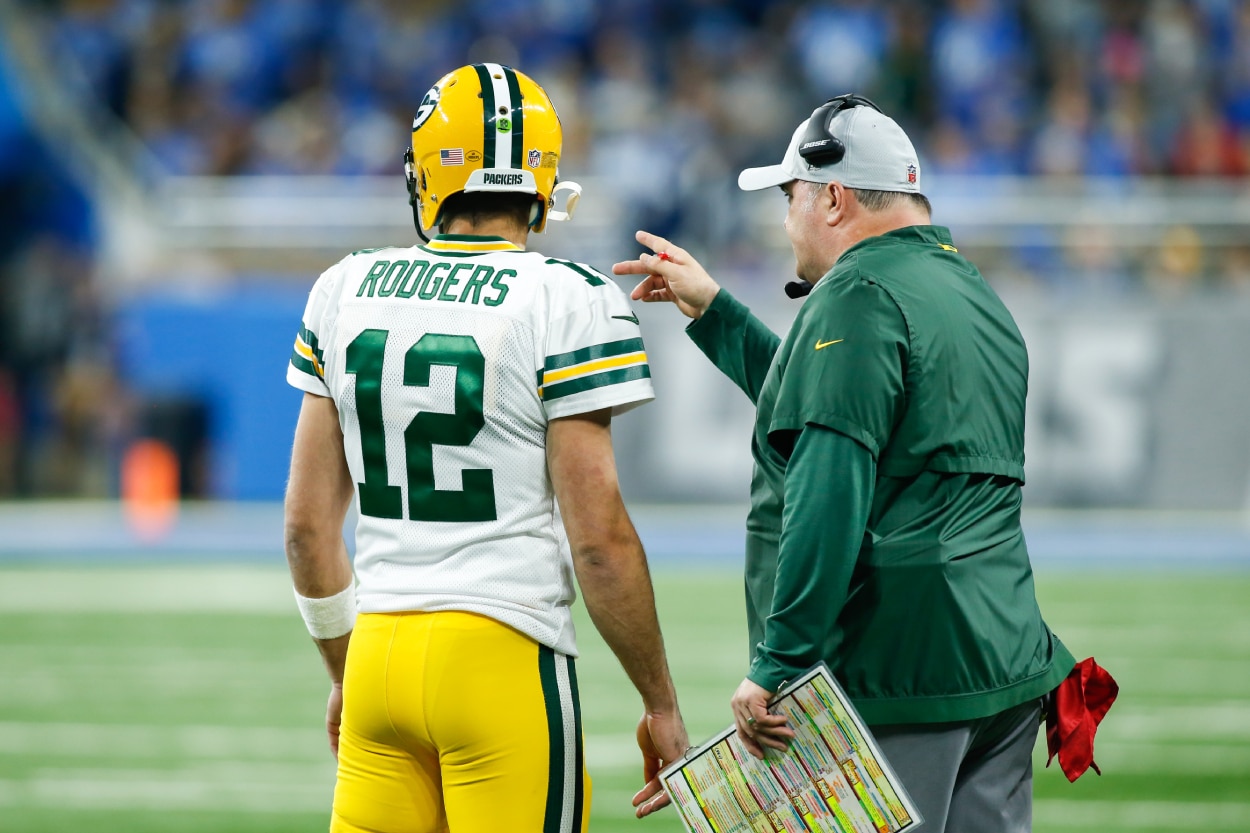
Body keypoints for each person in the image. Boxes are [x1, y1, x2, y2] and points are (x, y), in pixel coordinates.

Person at [614, 94, 1078, 831]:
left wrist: (779, 661)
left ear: (831, 196)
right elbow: (843, 410)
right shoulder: (972, 290)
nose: (785, 217)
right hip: (1005, 657)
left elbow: (827, 490)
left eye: (790, 195)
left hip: (900, 668)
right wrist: (718, 313)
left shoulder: (855, 296)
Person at [283, 62, 688, 833]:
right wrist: (659, 700)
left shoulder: (345, 287)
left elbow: (306, 527)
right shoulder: (567, 295)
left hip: (379, 657)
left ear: (428, 173)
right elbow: (598, 540)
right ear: (540, 180)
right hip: (502, 654)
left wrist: (348, 672)